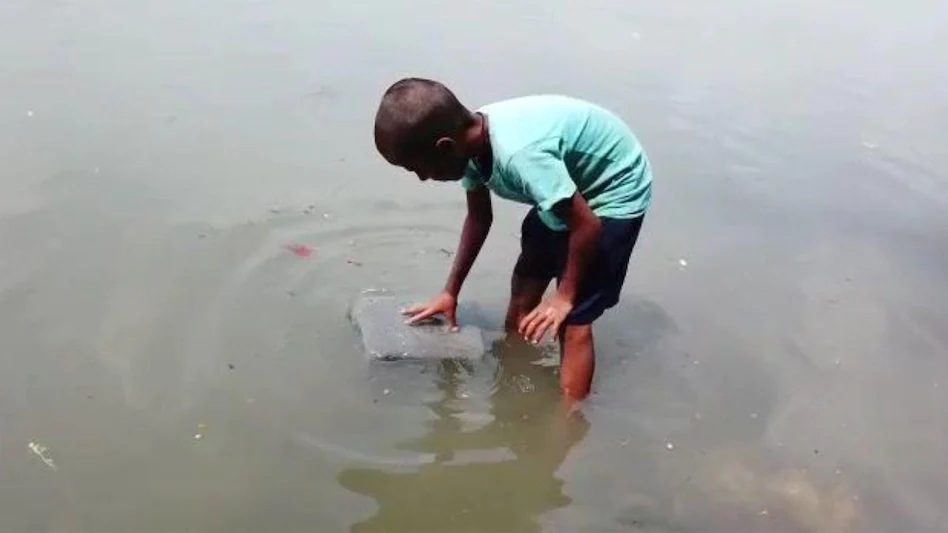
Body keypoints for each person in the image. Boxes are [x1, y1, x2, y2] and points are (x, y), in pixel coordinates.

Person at [373, 77, 652, 400]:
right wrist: (450, 292)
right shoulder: (469, 142)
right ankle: (515, 372)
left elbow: (587, 225)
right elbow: (479, 218)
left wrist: (564, 297)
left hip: (613, 190)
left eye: (418, 169)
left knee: (573, 320)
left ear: (444, 147)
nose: (422, 178)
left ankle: (570, 416)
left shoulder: (521, 156)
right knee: (524, 285)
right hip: (564, 187)